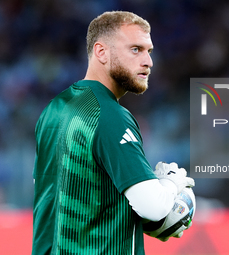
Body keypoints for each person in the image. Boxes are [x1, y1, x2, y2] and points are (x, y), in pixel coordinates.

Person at [32, 11, 194, 255]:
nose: (148, 61)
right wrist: (171, 184)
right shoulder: (109, 115)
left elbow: (50, 192)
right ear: (101, 52)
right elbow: (154, 207)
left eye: (149, 51)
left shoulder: (53, 110)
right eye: (135, 49)